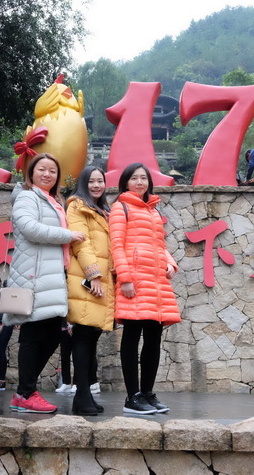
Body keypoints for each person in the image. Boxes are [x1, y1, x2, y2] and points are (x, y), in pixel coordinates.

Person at [3, 152, 86, 413]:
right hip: (34, 276)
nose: (47, 174)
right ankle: (27, 393)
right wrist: (67, 234)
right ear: (31, 172)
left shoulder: (53, 200)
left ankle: (23, 392)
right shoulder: (27, 197)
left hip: (50, 277)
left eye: (52, 170)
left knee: (51, 336)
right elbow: (29, 228)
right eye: (42, 169)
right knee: (32, 335)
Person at [110, 162, 181, 415]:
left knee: (153, 338)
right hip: (135, 281)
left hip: (157, 282)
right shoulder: (120, 207)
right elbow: (117, 245)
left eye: (143, 178)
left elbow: (160, 246)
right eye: (134, 178)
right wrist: (125, 278)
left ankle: (148, 393)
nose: (139, 182)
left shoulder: (153, 211)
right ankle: (133, 397)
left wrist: (170, 263)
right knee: (132, 336)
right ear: (125, 182)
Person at [65, 166, 116, 416]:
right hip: (87, 279)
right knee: (84, 336)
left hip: (102, 280)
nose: (96, 185)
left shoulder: (102, 210)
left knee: (91, 336)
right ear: (83, 183)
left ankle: (84, 395)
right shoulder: (77, 206)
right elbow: (81, 244)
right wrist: (93, 274)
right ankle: (81, 395)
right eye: (92, 181)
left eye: (100, 181)